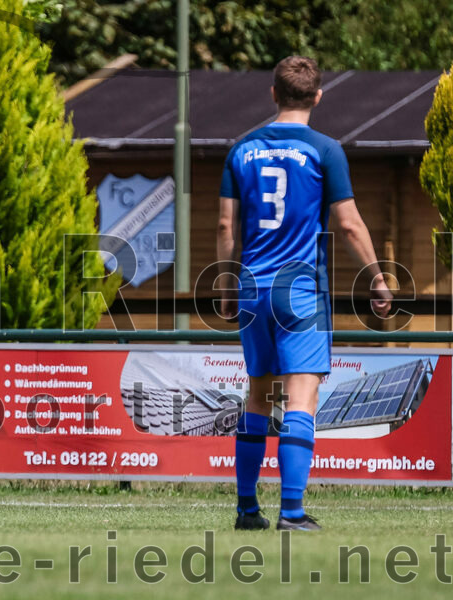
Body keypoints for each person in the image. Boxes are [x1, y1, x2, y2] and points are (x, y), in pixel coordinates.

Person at [217, 56, 392, 531]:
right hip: (299, 290)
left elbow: (226, 226)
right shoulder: (326, 150)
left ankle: (247, 510)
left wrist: (228, 285)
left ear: (273, 93)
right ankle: (291, 511)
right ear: (317, 97)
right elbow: (349, 224)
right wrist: (377, 277)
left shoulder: (241, 150)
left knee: (257, 395)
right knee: (301, 396)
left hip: (252, 285)